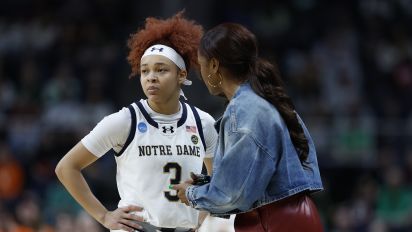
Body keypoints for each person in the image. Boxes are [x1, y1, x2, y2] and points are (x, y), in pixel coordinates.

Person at [55, 12, 218, 232]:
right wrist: (104, 216)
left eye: (161, 70)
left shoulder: (202, 122)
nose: (151, 76)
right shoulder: (124, 121)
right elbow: (66, 167)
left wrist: (202, 217)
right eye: (145, 71)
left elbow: (219, 180)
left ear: (181, 75)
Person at [172, 23, 324, 232]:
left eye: (202, 65)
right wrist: (206, 183)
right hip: (293, 216)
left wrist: (192, 194)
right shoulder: (265, 99)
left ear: (214, 66)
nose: (201, 74)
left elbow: (234, 194)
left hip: (276, 221)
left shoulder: (245, 111)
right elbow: (260, 177)